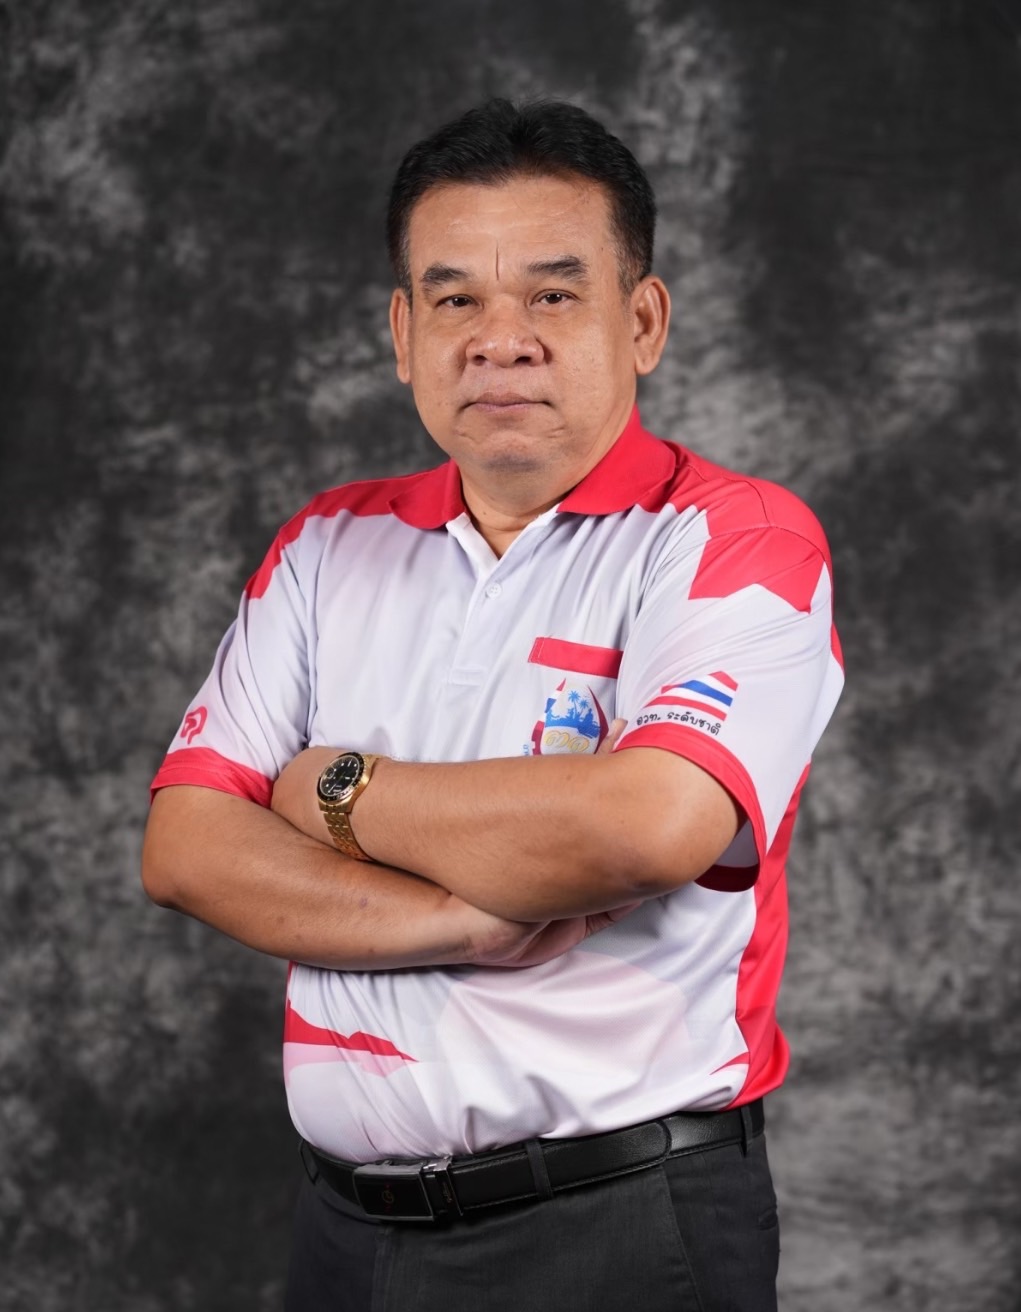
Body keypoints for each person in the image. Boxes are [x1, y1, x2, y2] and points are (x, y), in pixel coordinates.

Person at [142, 98, 844, 1311]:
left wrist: (328, 787)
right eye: (455, 298)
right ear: (402, 333)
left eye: (553, 295)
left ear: (642, 321)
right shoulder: (326, 546)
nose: (499, 340)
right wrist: (463, 920)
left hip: (620, 1226)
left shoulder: (733, 538)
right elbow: (187, 847)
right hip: (346, 1233)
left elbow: (647, 827)